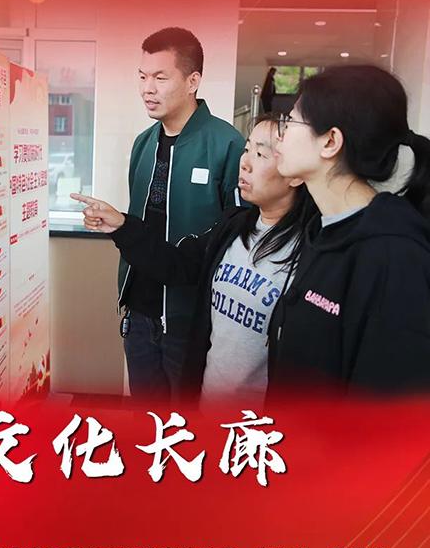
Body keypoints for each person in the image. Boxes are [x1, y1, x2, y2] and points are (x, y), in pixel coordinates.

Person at [72, 117, 317, 402]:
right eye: (247, 150)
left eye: (261, 154)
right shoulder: (233, 226)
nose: (245, 163)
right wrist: (121, 225)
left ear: (296, 173)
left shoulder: (311, 251)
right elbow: (177, 264)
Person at [270, 64, 430, 395]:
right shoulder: (324, 228)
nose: (279, 135)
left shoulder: (395, 257)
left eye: (291, 121)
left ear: (330, 141)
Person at [113, 26, 245, 398]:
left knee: (188, 424)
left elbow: (238, 234)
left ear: (192, 81)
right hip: (139, 314)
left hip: (191, 321)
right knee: (147, 422)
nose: (147, 88)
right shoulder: (143, 144)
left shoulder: (227, 144)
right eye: (142, 77)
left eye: (160, 77)